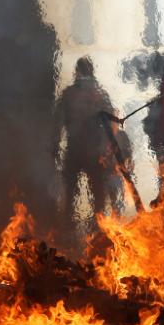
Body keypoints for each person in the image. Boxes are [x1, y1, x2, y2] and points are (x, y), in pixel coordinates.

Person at [54, 57, 120, 228]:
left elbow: (58, 122)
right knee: (98, 192)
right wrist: (108, 148)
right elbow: (111, 122)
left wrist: (54, 145)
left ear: (77, 72)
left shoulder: (68, 94)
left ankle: (68, 227)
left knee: (70, 193)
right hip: (94, 151)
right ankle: (97, 225)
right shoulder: (99, 94)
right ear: (92, 71)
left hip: (74, 148)